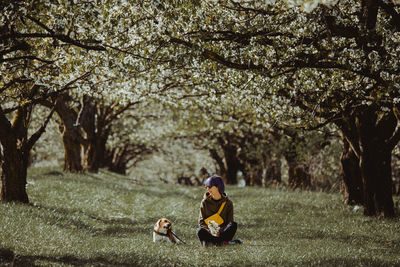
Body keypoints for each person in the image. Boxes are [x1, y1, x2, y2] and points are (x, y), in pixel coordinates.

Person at [196, 175, 242, 246]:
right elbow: (201, 222)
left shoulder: (228, 203)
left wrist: (219, 232)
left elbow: (229, 222)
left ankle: (214, 243)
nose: (208, 189)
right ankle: (222, 243)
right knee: (199, 231)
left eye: (210, 186)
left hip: (222, 233)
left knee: (233, 225)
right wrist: (211, 231)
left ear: (218, 186)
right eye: (206, 187)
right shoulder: (204, 202)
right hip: (209, 233)